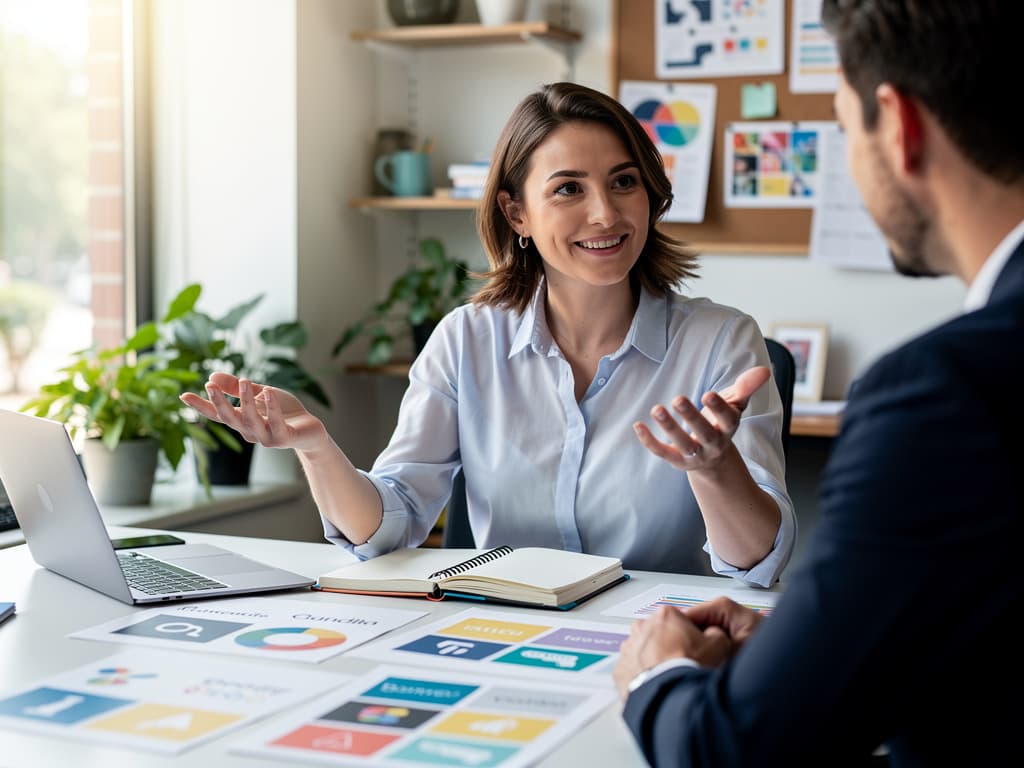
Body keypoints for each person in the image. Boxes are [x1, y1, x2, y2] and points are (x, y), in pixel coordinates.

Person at [614, 1, 1024, 765]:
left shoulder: (940, 394)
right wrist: (816, 651)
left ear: (898, 125)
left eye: (841, 128)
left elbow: (730, 751)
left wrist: (655, 673)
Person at [181, 82, 795, 584]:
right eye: (568, 189)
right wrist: (316, 448)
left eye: (623, 181)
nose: (605, 213)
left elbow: (758, 562)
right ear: (516, 212)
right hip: (506, 635)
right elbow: (390, 524)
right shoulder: (466, 341)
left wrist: (714, 468)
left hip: (661, 640)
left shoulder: (722, 342)